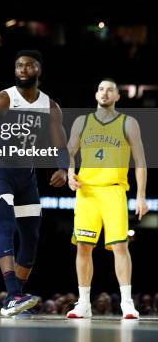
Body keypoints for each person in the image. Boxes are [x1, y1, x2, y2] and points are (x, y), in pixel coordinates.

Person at [0, 50, 68, 317]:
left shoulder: (50, 107)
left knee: (31, 237)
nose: (22, 69)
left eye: (28, 65)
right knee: (6, 225)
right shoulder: (2, 99)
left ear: (39, 70)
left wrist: (64, 169)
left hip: (27, 175)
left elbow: (60, 144)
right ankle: (12, 294)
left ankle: (16, 297)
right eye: (18, 65)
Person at [66, 78, 149, 319]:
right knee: (83, 247)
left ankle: (126, 303)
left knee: (120, 246)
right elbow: (69, 152)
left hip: (113, 191)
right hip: (87, 192)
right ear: (96, 94)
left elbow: (140, 161)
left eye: (110, 89)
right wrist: (71, 173)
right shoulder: (82, 122)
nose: (105, 92)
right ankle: (83, 303)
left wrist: (141, 195)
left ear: (117, 96)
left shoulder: (128, 122)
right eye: (101, 89)